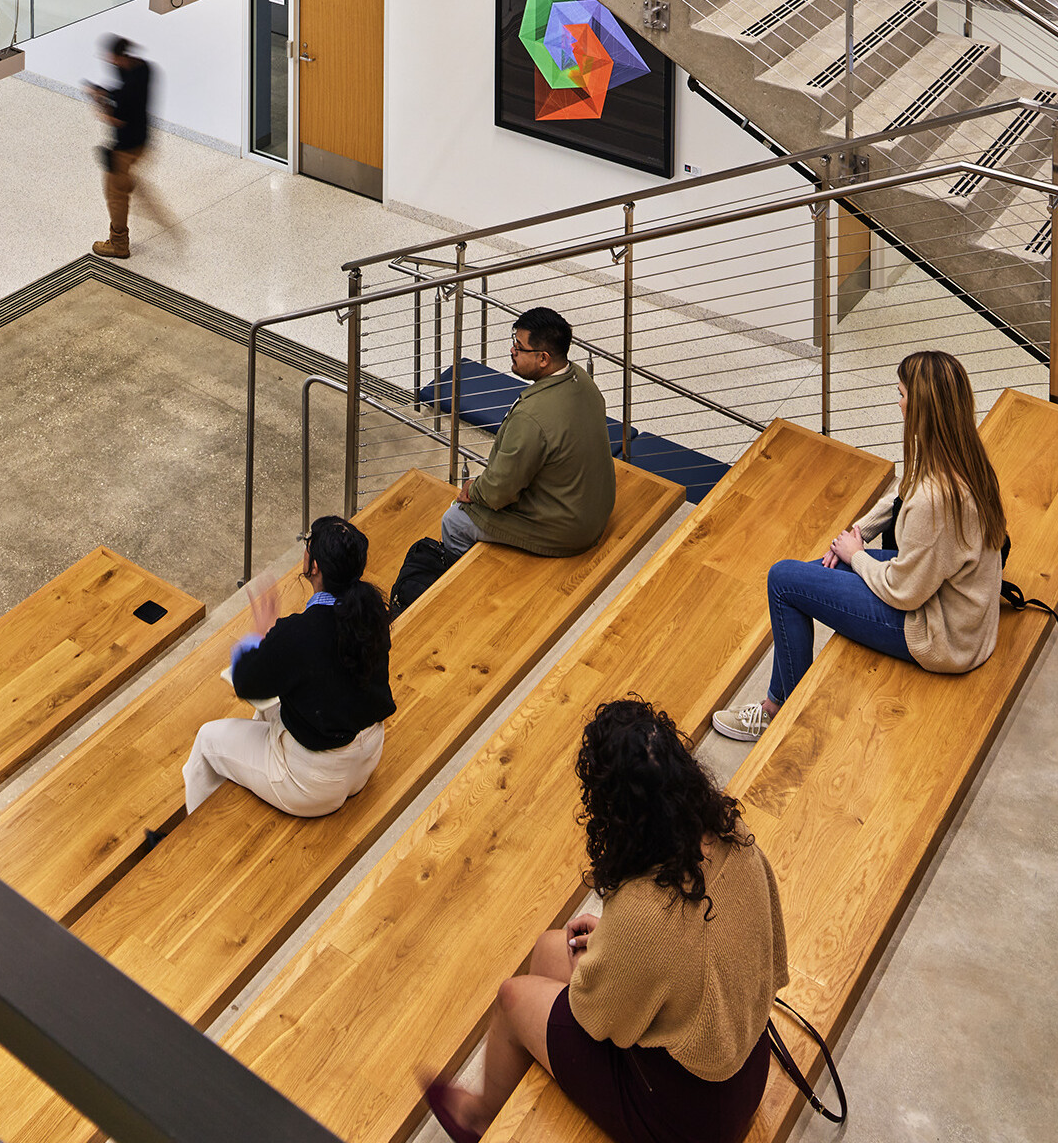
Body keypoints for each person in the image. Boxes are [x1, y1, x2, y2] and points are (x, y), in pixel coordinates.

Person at [423, 699, 786, 1143]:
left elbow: (598, 1018)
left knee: (513, 999)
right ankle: (533, 1089)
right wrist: (615, 948)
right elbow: (707, 951)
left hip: (694, 1117)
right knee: (547, 948)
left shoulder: (643, 910)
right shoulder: (737, 839)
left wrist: (600, 962)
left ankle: (478, 1117)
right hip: (746, 1061)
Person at [713, 350, 1008, 743]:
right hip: (960, 611)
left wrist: (856, 556)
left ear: (920, 408)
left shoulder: (936, 499)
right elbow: (903, 497)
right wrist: (860, 533)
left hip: (941, 635)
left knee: (783, 581)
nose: (897, 401)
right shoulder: (962, 454)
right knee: (812, 573)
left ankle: (782, 715)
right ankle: (777, 703)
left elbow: (905, 592)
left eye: (901, 393)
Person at [392, 308, 615, 610]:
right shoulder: (582, 380)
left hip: (570, 529)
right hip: (593, 508)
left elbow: (499, 491)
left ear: (543, 359)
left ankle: (458, 597)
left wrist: (472, 490)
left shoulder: (532, 418)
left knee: (455, 519)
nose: (512, 350)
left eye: (519, 347)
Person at [184, 516, 397, 819]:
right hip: (367, 754)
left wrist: (260, 635)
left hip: (313, 782)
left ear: (315, 568)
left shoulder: (298, 633)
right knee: (270, 707)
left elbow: (246, 682)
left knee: (207, 740)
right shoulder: (373, 609)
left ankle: (193, 840)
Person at [90, 35, 178, 260]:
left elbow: (115, 119)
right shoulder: (145, 69)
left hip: (126, 148)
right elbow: (123, 90)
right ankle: (131, 187)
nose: (110, 64)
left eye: (112, 60)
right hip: (144, 141)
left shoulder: (129, 87)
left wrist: (99, 104)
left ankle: (118, 243)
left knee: (114, 193)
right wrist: (107, 93)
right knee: (125, 183)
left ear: (118, 57)